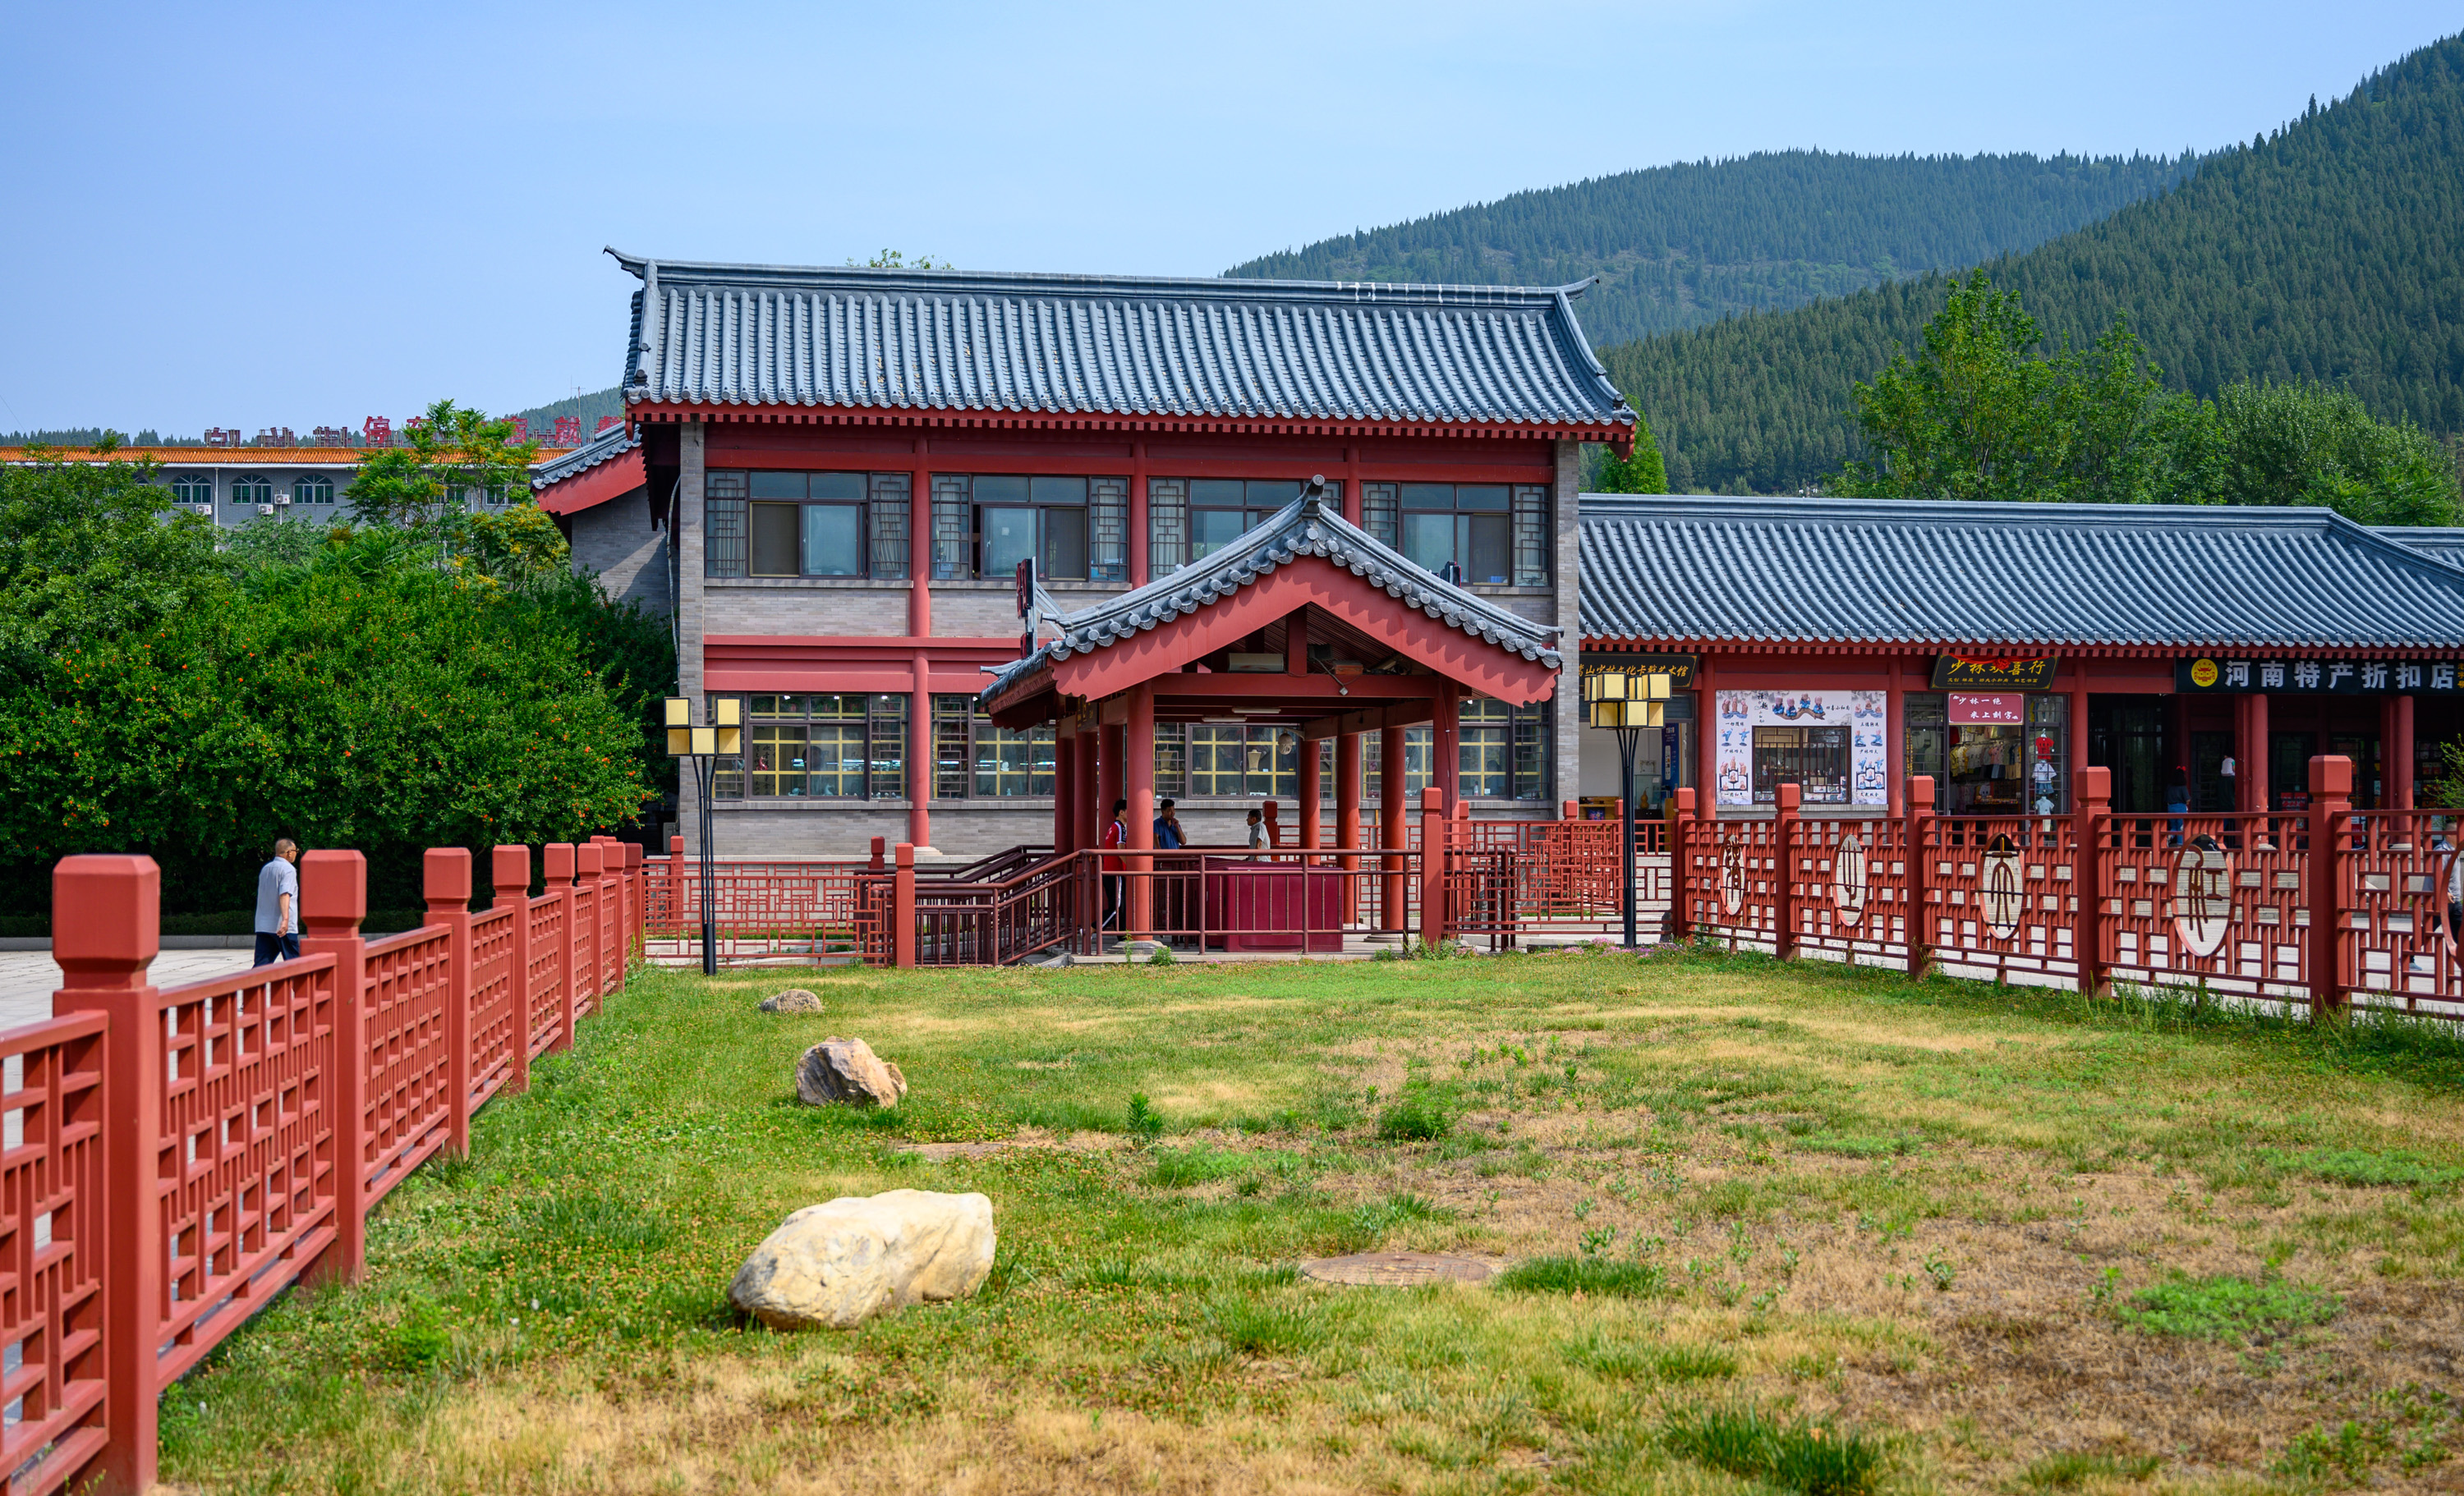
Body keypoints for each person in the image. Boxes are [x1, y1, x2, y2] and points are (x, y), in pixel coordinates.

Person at [253, 838, 301, 966]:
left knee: (261, 965)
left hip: (264, 925)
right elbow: (284, 894)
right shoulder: (288, 869)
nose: (296, 853)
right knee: (295, 964)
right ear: (289, 852)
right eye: (296, 851)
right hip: (283, 927)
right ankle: (303, 988)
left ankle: (253, 987)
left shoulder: (266, 869)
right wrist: (285, 920)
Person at [1101, 798, 1128, 930]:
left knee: (1120, 907)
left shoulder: (1112, 827)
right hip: (1116, 872)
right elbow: (1121, 849)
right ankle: (1092, 928)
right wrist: (1130, 867)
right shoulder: (1120, 828)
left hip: (1108, 872)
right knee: (1117, 909)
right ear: (1121, 812)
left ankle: (1122, 936)